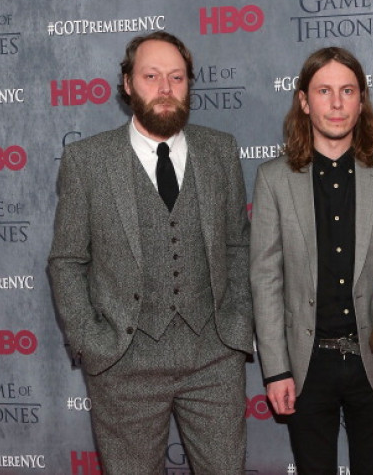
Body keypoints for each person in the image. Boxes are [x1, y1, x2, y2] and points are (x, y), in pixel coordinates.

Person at [48, 31, 252, 474]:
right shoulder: (87, 160)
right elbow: (66, 261)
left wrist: (236, 327)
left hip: (213, 360)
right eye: (151, 76)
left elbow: (238, 244)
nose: (165, 88)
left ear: (189, 84)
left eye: (176, 77)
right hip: (123, 364)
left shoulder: (220, 151)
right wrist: (92, 340)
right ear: (127, 84)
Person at [250, 46, 373, 475]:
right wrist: (275, 371)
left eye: (347, 90)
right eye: (324, 91)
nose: (337, 102)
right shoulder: (273, 179)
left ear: (362, 100)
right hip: (306, 366)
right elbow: (265, 277)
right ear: (305, 102)